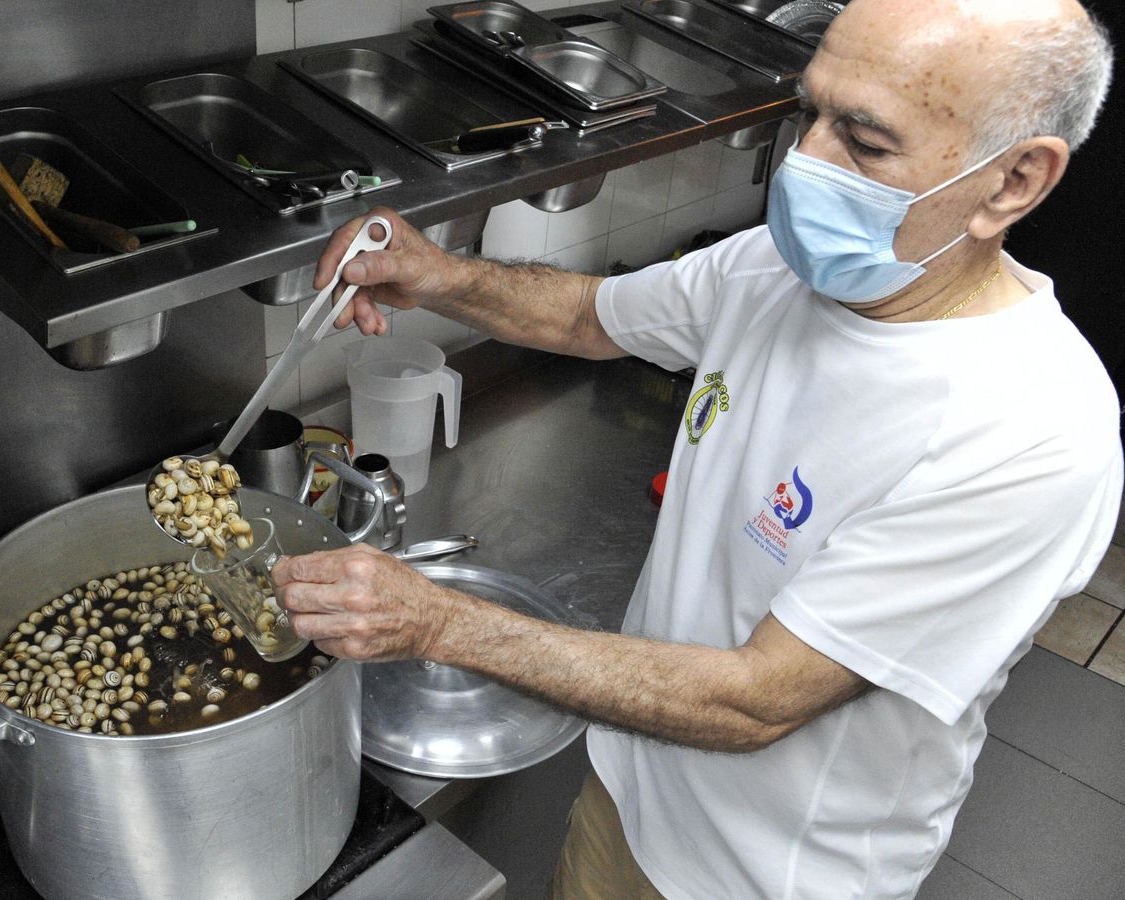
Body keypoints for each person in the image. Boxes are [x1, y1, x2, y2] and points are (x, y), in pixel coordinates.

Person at [271, 0, 1123, 897]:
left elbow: (758, 699)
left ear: (1015, 181)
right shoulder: (775, 270)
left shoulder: (1029, 434)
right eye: (809, 113)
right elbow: (587, 316)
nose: (804, 165)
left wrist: (438, 622)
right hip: (631, 788)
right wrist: (438, 275)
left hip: (767, 874)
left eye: (865, 144)